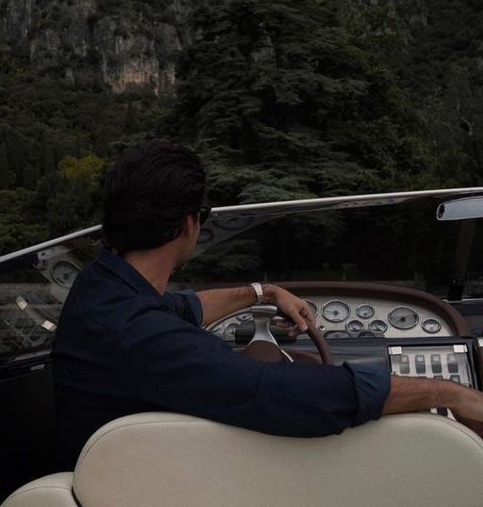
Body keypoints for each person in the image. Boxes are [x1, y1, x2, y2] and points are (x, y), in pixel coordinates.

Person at [52, 140, 483, 467]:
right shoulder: (137, 333)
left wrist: (265, 292)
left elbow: (184, 309)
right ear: (190, 223)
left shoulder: (104, 288)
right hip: (163, 497)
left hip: (147, 477)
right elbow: (277, 393)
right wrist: (452, 395)